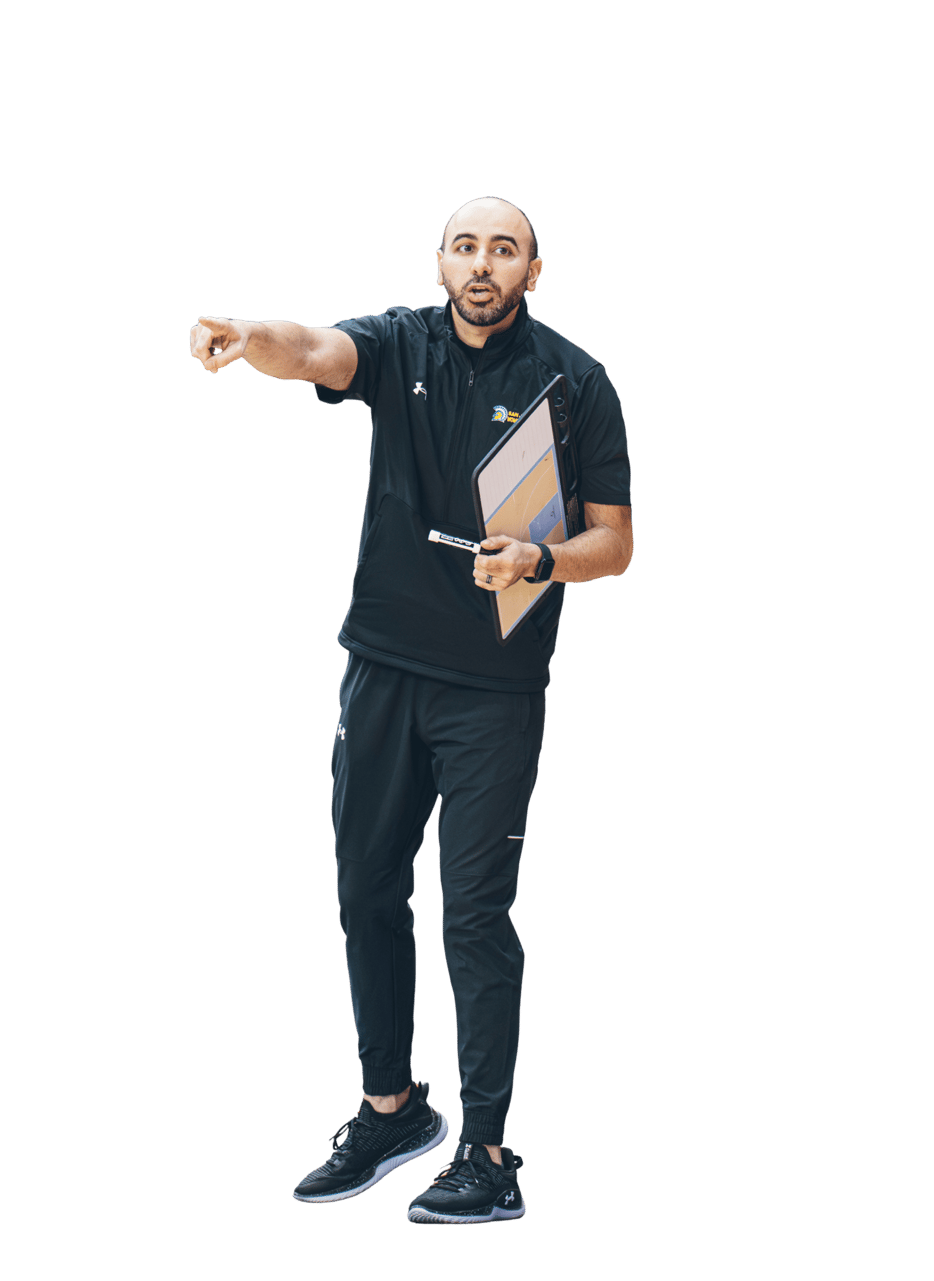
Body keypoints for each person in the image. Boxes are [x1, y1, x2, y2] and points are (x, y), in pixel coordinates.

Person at [189, 197, 633, 1225]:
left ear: (532, 271)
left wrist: (540, 559)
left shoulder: (576, 384)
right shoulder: (399, 346)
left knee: (474, 918)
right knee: (364, 889)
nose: (483, 264)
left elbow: (614, 542)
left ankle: (488, 1154)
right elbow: (312, 349)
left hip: (494, 693)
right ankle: (391, 1111)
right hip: (382, 669)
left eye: (504, 250)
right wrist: (252, 336)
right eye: (466, 247)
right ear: (440, 263)